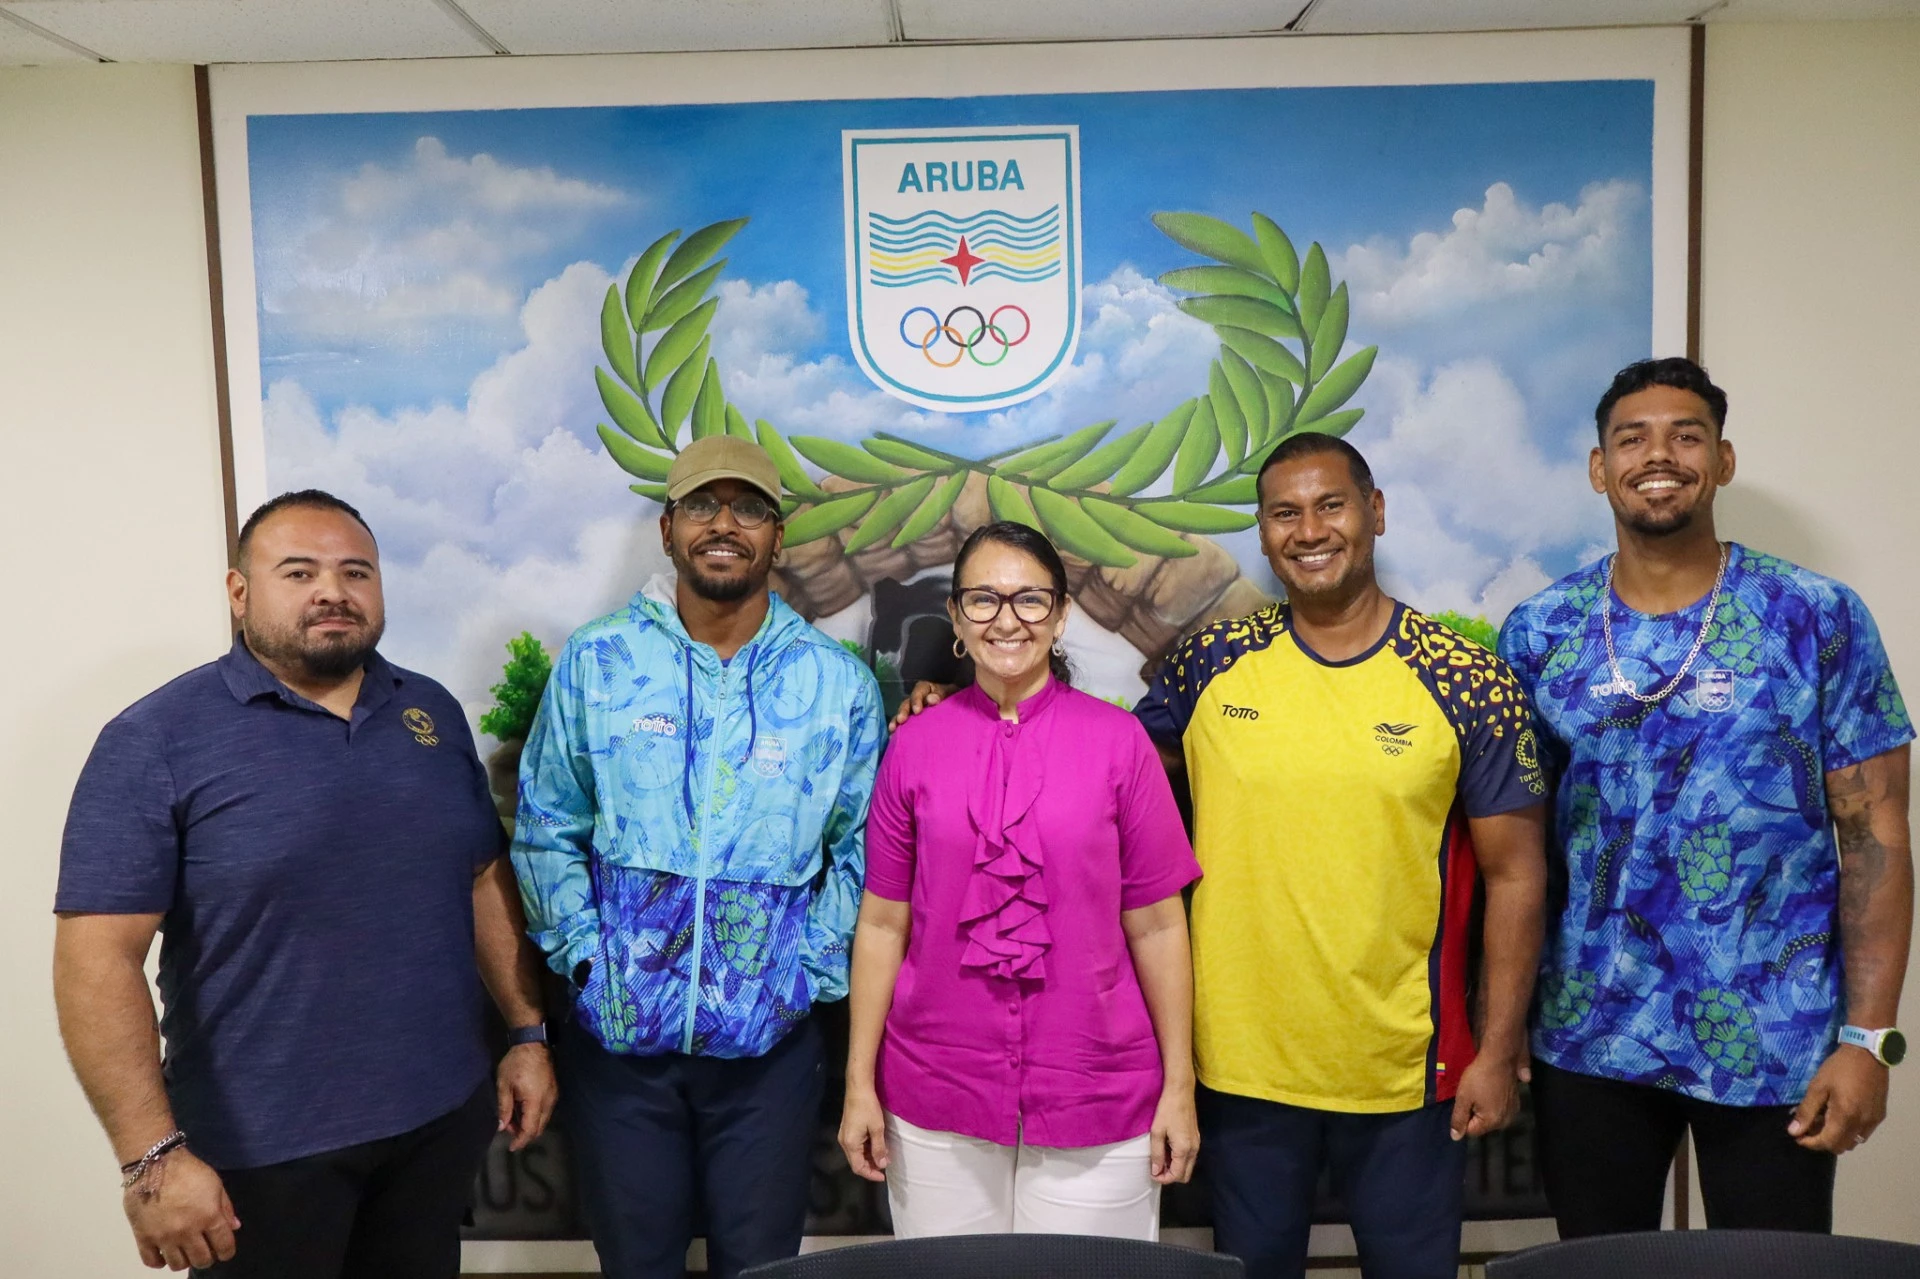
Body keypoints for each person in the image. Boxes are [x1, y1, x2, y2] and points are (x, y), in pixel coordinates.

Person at [900, 436, 1548, 1279]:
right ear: (1264, 530)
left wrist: (1498, 1050)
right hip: (1238, 1071)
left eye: (1331, 505)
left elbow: (1516, 873)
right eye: (1284, 512)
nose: (1308, 529)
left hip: (1405, 1073)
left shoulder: (1466, 678)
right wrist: (971, 703)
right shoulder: (1211, 663)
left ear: (1375, 511)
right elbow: (1088, 752)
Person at [53, 490, 557, 1278]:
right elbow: (96, 960)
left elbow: (481, 873)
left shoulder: (429, 711)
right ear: (239, 592)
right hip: (261, 1155)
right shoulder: (153, 739)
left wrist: (527, 1033)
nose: (333, 590)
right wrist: (151, 1159)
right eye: (299, 571)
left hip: (438, 1123)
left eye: (356, 571)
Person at [1497, 357, 1913, 1236]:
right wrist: (1498, 1029)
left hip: (1778, 1036)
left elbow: (1874, 835)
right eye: (1632, 438)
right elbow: (1514, 850)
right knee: (1599, 1272)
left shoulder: (1815, 615)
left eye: (1687, 435)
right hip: (1588, 1034)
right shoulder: (1540, 631)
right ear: (1598, 467)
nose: (1660, 455)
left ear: (1722, 462)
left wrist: (1869, 1039)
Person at [511, 436, 884, 1279]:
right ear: (669, 527)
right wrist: (585, 960)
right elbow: (546, 824)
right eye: (704, 507)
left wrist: (808, 970)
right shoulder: (599, 661)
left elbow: (865, 848)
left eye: (749, 507)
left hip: (770, 1055)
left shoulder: (836, 683)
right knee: (636, 1264)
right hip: (622, 1053)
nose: (726, 524)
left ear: (777, 536)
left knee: (760, 1268)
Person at [838, 521, 1203, 1239]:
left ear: (1062, 615)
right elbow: (882, 922)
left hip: (1099, 1091)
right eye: (983, 600)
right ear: (955, 617)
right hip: (935, 1091)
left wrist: (1180, 1084)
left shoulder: (1119, 741)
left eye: (1030, 600)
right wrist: (858, 1084)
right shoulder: (912, 746)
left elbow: (1159, 922)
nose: (1007, 620)